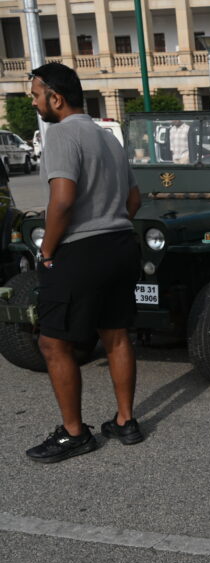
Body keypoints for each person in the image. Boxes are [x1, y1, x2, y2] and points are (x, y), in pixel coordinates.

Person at [25, 62, 144, 464]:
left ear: (55, 98)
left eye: (37, 95)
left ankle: (75, 433)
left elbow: (62, 199)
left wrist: (47, 252)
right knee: (116, 335)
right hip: (121, 244)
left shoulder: (60, 133)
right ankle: (126, 421)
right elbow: (134, 200)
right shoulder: (107, 137)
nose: (35, 102)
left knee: (53, 342)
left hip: (81, 250)